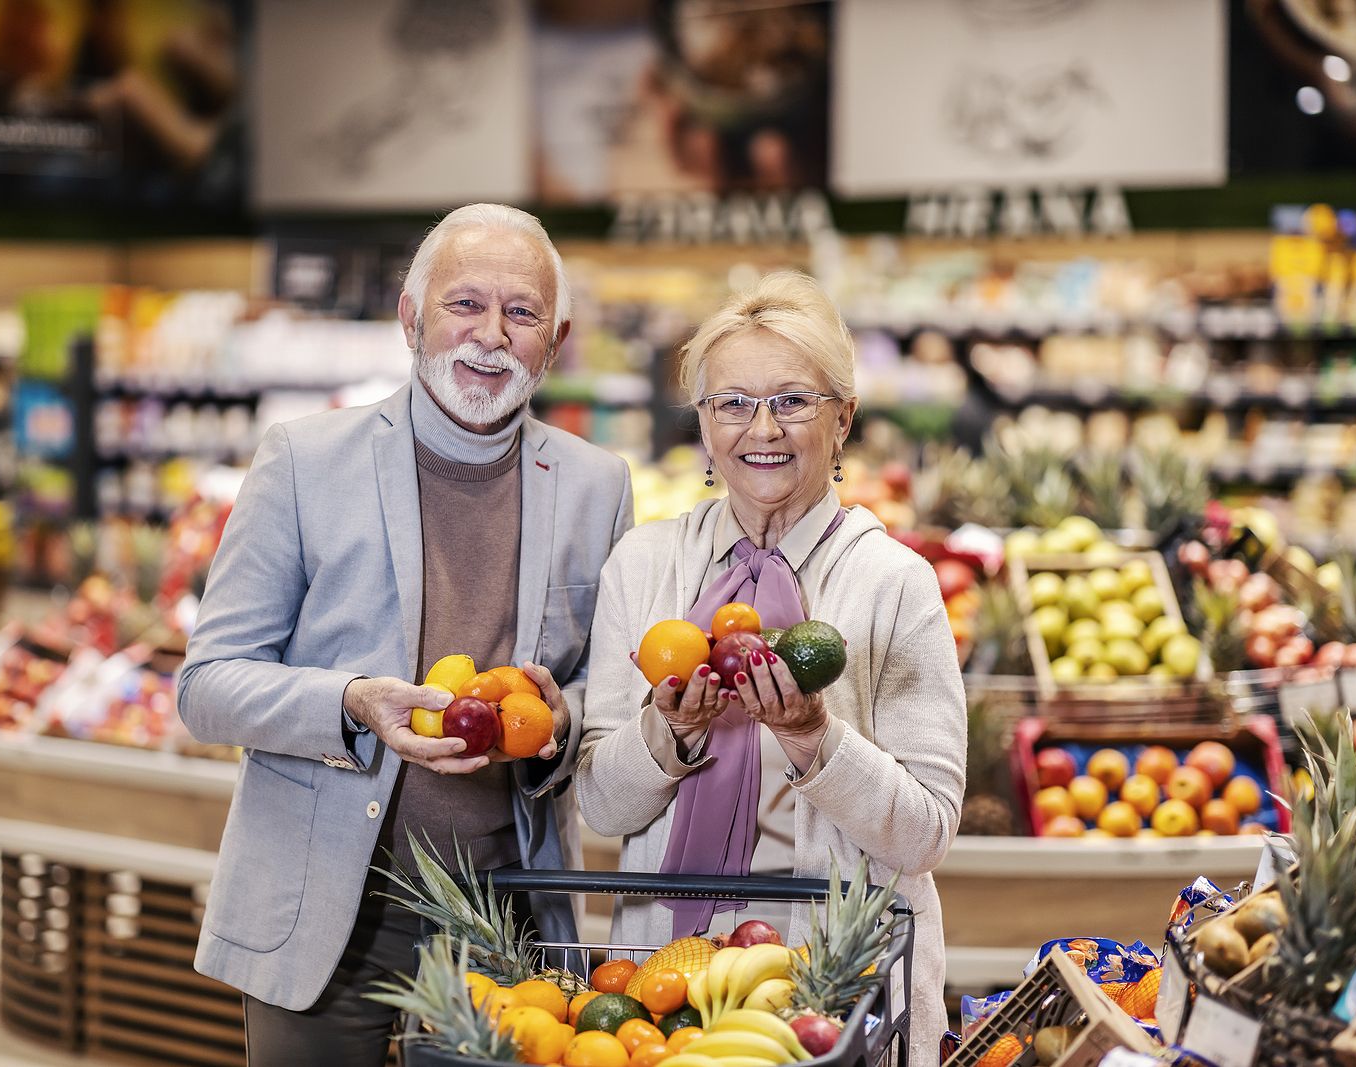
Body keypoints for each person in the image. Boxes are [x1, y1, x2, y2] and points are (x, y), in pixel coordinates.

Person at [179, 203, 633, 1065]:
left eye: (522, 312)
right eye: (465, 303)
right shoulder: (304, 461)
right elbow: (207, 686)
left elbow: (601, 690)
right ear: (410, 316)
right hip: (325, 910)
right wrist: (350, 702)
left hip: (505, 914)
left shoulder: (596, 485)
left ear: (556, 336)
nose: (491, 335)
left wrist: (560, 721)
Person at [575, 271, 965, 1064]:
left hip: (840, 987)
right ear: (703, 422)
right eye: (732, 402)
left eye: (793, 400)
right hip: (667, 987)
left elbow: (925, 833)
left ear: (843, 418)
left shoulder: (896, 583)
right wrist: (666, 734)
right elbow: (599, 807)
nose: (763, 427)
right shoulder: (643, 566)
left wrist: (816, 739)